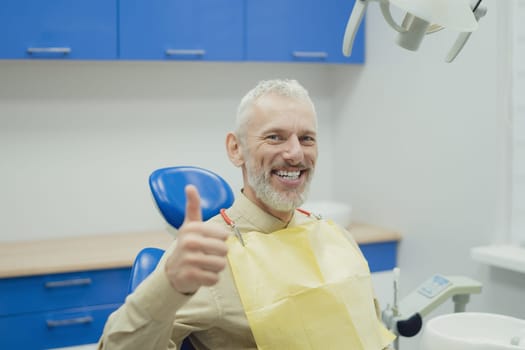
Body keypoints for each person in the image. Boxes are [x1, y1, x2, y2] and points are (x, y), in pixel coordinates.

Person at [98, 79, 395, 350]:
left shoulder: (336, 236)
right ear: (236, 148)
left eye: (307, 139)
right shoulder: (211, 258)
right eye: (275, 137)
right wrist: (168, 285)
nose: (295, 154)